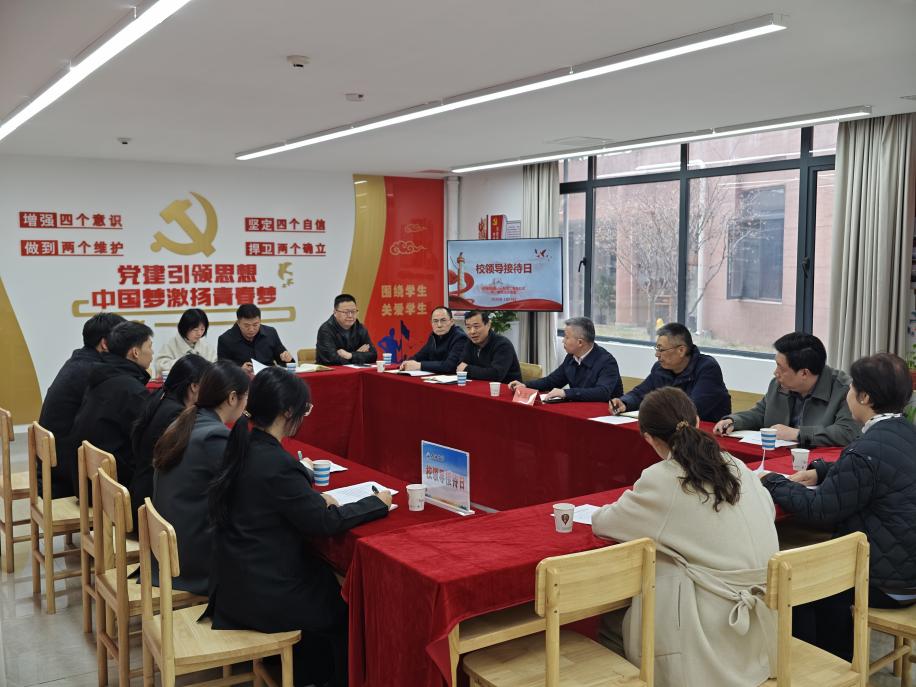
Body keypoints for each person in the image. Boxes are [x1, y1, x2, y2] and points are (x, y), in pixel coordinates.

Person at [205, 367, 391, 687]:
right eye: (305, 410)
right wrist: (377, 503)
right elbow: (323, 522)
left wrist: (310, 496)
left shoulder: (244, 444)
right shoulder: (275, 463)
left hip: (233, 581)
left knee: (324, 581)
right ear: (287, 412)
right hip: (261, 594)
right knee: (347, 608)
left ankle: (305, 672)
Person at [592, 387, 778, 687]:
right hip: (762, 632)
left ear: (649, 439)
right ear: (698, 420)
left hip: (709, 634)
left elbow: (605, 523)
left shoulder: (663, 478)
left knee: (613, 623)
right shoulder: (737, 465)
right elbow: (768, 511)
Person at [760, 353, 916, 660]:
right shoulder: (905, 433)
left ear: (865, 397)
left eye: (853, 387)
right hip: (907, 569)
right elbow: (883, 471)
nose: (848, 393)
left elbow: (820, 510)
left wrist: (773, 481)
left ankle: (823, 666)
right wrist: (822, 471)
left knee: (797, 583)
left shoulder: (867, 449)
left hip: (884, 581)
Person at [150, 360, 250, 595]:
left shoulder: (183, 421)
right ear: (232, 398)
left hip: (166, 549)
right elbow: (248, 483)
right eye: (246, 397)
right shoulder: (214, 436)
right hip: (190, 561)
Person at [714, 332, 860, 447]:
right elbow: (760, 413)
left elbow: (847, 432)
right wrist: (734, 421)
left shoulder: (845, 390)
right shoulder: (778, 384)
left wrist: (797, 434)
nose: (775, 373)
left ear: (804, 373)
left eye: (781, 368)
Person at [61, 321, 154, 497]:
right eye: (149, 346)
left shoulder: (102, 376)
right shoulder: (131, 390)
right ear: (135, 352)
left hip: (86, 480)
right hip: (111, 488)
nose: (152, 352)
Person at [39, 311, 125, 497]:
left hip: (51, 462)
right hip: (65, 472)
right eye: (122, 340)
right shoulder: (93, 371)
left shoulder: (79, 361)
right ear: (105, 343)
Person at [129, 355, 211, 526]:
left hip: (140, 496)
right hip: (151, 511)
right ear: (194, 386)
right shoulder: (177, 415)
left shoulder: (160, 399)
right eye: (208, 385)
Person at [610, 322, 730, 422]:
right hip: (671, 428)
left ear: (681, 350)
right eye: (657, 349)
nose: (657, 354)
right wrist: (624, 402)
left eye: (661, 349)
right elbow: (641, 393)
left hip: (706, 434)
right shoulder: (660, 368)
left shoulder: (707, 368)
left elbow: (693, 408)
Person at [508, 316, 622, 401]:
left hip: (605, 415)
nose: (563, 341)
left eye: (566, 337)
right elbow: (552, 381)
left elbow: (602, 393)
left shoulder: (607, 362)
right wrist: (526, 385)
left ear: (580, 342)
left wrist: (565, 393)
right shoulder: (571, 357)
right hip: (580, 410)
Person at [217, 303, 293, 372]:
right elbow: (222, 370)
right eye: (246, 325)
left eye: (255, 325)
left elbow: (283, 360)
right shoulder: (225, 340)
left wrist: (287, 359)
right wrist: (239, 369)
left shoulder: (270, 333)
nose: (251, 329)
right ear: (238, 323)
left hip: (269, 378)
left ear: (260, 321)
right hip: (242, 380)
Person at [457, 310, 522, 383]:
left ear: (488, 325)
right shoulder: (470, 342)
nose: (472, 331)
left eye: (476, 326)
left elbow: (496, 375)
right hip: (480, 386)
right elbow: (460, 366)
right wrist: (480, 372)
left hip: (506, 388)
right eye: (468, 327)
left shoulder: (503, 345)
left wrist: (467, 369)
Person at [399, 306, 467, 374]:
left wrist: (419, 365)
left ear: (452, 322)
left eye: (443, 320)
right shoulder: (434, 335)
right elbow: (420, 355)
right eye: (435, 321)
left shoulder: (460, 337)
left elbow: (449, 366)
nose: (439, 325)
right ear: (431, 323)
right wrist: (408, 362)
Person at [154, 307, 217, 377]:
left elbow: (215, 368)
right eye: (195, 330)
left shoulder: (207, 347)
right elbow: (160, 366)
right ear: (184, 328)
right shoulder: (170, 345)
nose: (199, 333)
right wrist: (184, 363)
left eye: (202, 329)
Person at [315, 293, 376, 365]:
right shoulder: (325, 330)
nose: (350, 315)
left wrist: (350, 355)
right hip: (331, 371)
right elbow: (332, 360)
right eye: (346, 312)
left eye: (353, 311)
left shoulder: (360, 328)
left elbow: (373, 355)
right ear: (335, 312)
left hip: (353, 370)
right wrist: (357, 355)